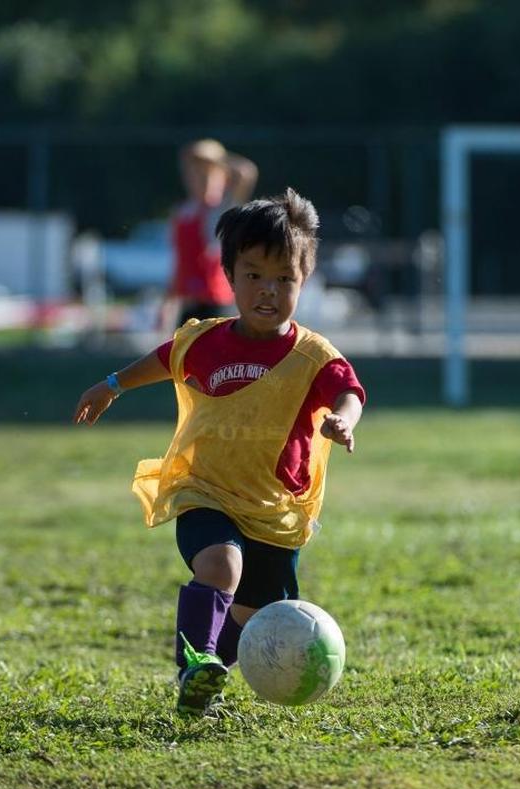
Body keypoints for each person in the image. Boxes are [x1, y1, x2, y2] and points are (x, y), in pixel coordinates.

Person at [75, 188, 365, 716]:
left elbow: (349, 389)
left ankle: (202, 681)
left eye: (285, 279)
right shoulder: (205, 341)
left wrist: (343, 418)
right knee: (219, 565)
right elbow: (164, 360)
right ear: (229, 276)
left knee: (253, 614)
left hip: (274, 513)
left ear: (305, 281)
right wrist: (113, 383)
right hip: (204, 490)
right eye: (254, 275)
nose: (268, 291)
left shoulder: (312, 355)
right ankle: (194, 662)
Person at [164, 138, 258, 329]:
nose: (201, 180)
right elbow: (180, 263)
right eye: (196, 174)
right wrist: (168, 302)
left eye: (208, 175)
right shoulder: (183, 212)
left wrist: (218, 158)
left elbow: (246, 172)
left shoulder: (222, 211)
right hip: (189, 303)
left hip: (217, 303)